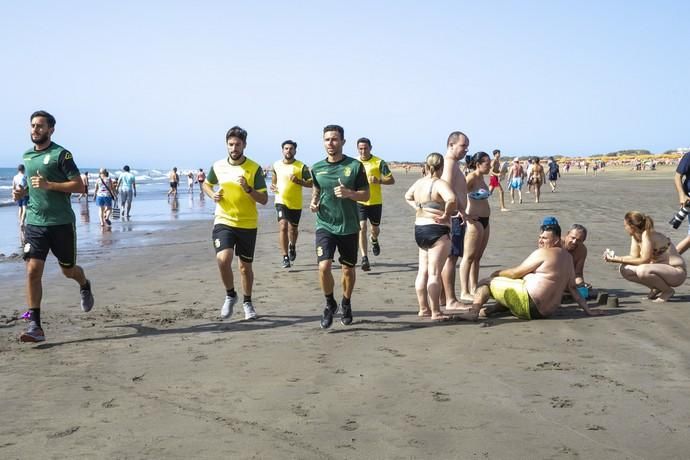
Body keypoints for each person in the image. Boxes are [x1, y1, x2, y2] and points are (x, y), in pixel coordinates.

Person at [12, 110, 94, 342]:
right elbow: (34, 185)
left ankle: (85, 284)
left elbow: (79, 186)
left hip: (61, 224)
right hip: (35, 223)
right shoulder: (27, 156)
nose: (35, 130)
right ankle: (35, 326)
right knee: (32, 270)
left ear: (51, 129)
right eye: (32, 126)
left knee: (68, 270)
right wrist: (23, 192)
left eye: (40, 126)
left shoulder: (62, 155)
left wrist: (50, 185)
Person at [456, 218, 603, 321]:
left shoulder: (544, 252)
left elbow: (515, 273)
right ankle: (492, 310)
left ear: (557, 240)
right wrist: (588, 310)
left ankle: (473, 312)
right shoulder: (568, 258)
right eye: (540, 237)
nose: (540, 240)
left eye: (545, 238)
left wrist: (497, 273)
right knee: (515, 288)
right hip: (545, 313)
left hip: (528, 304)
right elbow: (573, 288)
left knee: (486, 282)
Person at [202, 126, 268, 320]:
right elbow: (206, 184)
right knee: (223, 259)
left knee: (245, 267)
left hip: (247, 223)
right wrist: (213, 194)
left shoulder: (254, 168)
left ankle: (248, 303)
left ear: (244, 145)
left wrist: (248, 189)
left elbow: (264, 199)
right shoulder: (218, 166)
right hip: (224, 219)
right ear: (226, 145)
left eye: (238, 144)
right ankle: (230, 294)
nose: (234, 148)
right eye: (231, 144)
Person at [310, 125, 369, 329]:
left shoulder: (354, 166)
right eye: (327, 139)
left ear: (343, 142)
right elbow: (317, 189)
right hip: (324, 224)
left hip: (349, 226)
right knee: (324, 266)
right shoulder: (316, 167)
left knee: (348, 270)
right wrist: (314, 202)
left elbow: (366, 195)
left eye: (335, 139)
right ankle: (329, 304)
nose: (331, 143)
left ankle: (346, 302)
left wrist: (349, 193)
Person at [404, 153, 456, 321]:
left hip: (420, 228)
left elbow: (407, 196)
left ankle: (423, 308)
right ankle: (435, 311)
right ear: (441, 167)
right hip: (436, 229)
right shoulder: (439, 183)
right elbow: (452, 199)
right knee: (434, 273)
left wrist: (418, 207)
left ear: (426, 166)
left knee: (422, 272)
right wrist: (446, 215)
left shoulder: (419, 182)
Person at [604, 212, 686, 302]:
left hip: (676, 272)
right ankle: (657, 287)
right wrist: (614, 257)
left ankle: (667, 291)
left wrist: (617, 259)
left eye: (625, 225)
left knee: (642, 270)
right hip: (661, 270)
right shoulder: (636, 236)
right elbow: (633, 256)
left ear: (632, 226)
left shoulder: (647, 234)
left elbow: (644, 260)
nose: (625, 228)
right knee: (625, 269)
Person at [271, 139, 312, 268]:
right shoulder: (276, 165)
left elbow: (311, 183)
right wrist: (272, 186)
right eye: (286, 148)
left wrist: (299, 181)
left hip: (295, 203)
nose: (288, 150)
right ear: (283, 150)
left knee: (293, 230)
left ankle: (292, 246)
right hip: (280, 201)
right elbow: (274, 181)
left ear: (295, 150)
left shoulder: (301, 166)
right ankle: (285, 256)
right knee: (283, 226)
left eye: (291, 148)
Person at [440, 131, 469, 310]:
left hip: (455, 216)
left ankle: (444, 298)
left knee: (449, 258)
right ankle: (451, 300)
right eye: (463, 146)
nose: (466, 150)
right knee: (451, 258)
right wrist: (458, 210)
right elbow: (447, 189)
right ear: (451, 145)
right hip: (454, 218)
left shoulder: (453, 164)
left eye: (467, 146)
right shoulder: (449, 163)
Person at [457, 152, 492, 304]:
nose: (489, 166)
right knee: (469, 257)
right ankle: (464, 291)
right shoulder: (471, 177)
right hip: (474, 220)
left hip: (485, 220)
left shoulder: (482, 178)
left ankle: (473, 288)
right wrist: (464, 213)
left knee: (477, 258)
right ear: (478, 164)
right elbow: (458, 194)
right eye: (487, 163)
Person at [356, 137, 395, 271]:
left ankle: (374, 238)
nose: (363, 151)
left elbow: (391, 180)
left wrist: (379, 180)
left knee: (375, 229)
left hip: (375, 201)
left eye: (365, 148)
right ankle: (364, 258)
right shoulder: (354, 163)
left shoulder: (379, 162)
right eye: (360, 148)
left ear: (370, 148)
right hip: (359, 200)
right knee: (362, 227)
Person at [673, 151, 690, 254]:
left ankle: (669, 258)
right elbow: (677, 176)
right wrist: (682, 195)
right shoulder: (688, 156)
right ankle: (669, 258)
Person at [13, 164, 29, 230]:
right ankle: (22, 221)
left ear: (18, 169)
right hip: (25, 194)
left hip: (18, 193)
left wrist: (14, 195)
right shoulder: (25, 177)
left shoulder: (15, 177)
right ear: (24, 169)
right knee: (24, 208)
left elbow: (13, 187)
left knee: (20, 208)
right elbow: (27, 187)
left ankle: (20, 222)